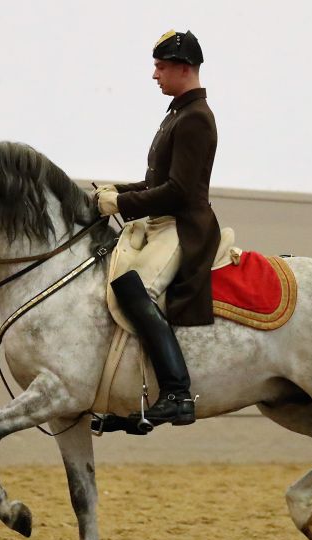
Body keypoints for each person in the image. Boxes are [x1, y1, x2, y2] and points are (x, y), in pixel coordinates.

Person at [95, 29, 221, 426]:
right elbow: (156, 183)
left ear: (184, 69)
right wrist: (115, 190)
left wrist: (122, 203)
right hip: (161, 221)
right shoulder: (179, 114)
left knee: (137, 291)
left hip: (183, 226)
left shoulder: (197, 118)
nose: (155, 75)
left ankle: (177, 393)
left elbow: (179, 191)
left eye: (161, 67)